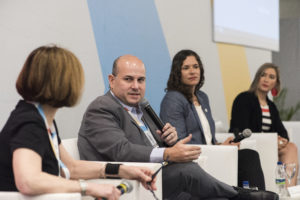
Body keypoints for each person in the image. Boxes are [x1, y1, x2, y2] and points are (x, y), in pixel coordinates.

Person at [78, 54, 278, 200]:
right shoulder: (102, 108)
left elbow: (152, 146)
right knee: (186, 171)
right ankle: (239, 194)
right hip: (123, 181)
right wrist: (167, 153)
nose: (136, 86)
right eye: (128, 79)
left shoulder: (142, 108)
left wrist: (168, 140)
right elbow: (121, 151)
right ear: (112, 81)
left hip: (153, 175)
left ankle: (238, 195)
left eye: (141, 80)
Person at [0, 45, 156, 200]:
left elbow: (71, 167)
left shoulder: (43, 119)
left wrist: (122, 170)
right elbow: (29, 181)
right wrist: (88, 188)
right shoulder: (29, 122)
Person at [159, 49, 266, 190]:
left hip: (210, 154)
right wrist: (219, 149)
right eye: (186, 68)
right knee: (248, 157)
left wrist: (221, 145)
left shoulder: (202, 97)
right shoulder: (173, 99)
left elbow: (207, 138)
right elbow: (179, 144)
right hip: (192, 160)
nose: (192, 71)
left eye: (196, 67)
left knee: (247, 156)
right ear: (177, 73)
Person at [229, 62, 299, 187]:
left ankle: (288, 192)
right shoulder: (244, 98)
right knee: (290, 147)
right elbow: (242, 128)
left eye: (271, 77)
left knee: (291, 147)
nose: (266, 79)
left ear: (275, 83)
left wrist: (281, 141)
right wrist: (271, 140)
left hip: (268, 144)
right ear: (257, 78)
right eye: (263, 75)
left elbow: (282, 131)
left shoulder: (271, 106)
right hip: (248, 143)